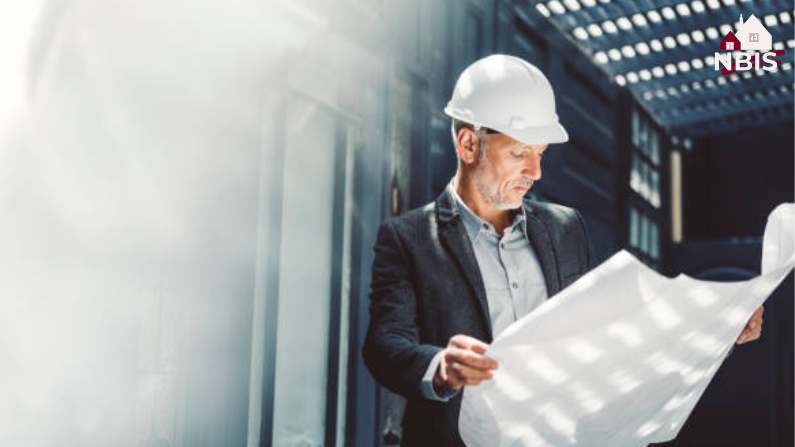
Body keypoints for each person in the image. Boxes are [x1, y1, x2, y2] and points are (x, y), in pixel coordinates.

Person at [362, 54, 763, 446]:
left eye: (540, 155)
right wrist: (440, 369)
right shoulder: (408, 238)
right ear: (469, 145)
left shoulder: (564, 229)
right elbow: (385, 345)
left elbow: (608, 335)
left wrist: (717, 329)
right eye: (520, 153)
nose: (535, 173)